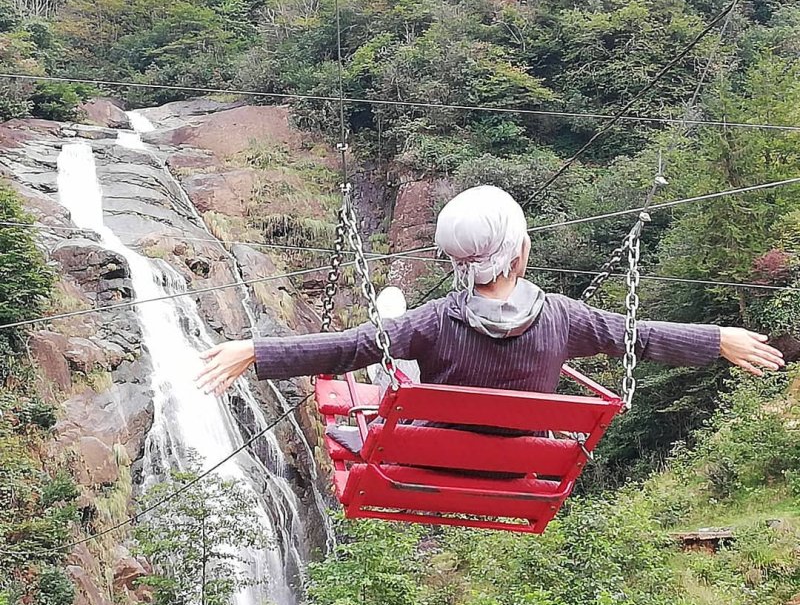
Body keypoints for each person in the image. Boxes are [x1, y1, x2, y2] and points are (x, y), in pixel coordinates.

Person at [196, 186, 784, 398]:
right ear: (522, 252)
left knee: (374, 381)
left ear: (454, 262)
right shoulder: (565, 319)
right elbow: (642, 338)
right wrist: (719, 339)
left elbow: (349, 347)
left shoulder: (426, 323)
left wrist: (255, 350)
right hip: (528, 468)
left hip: (439, 455)